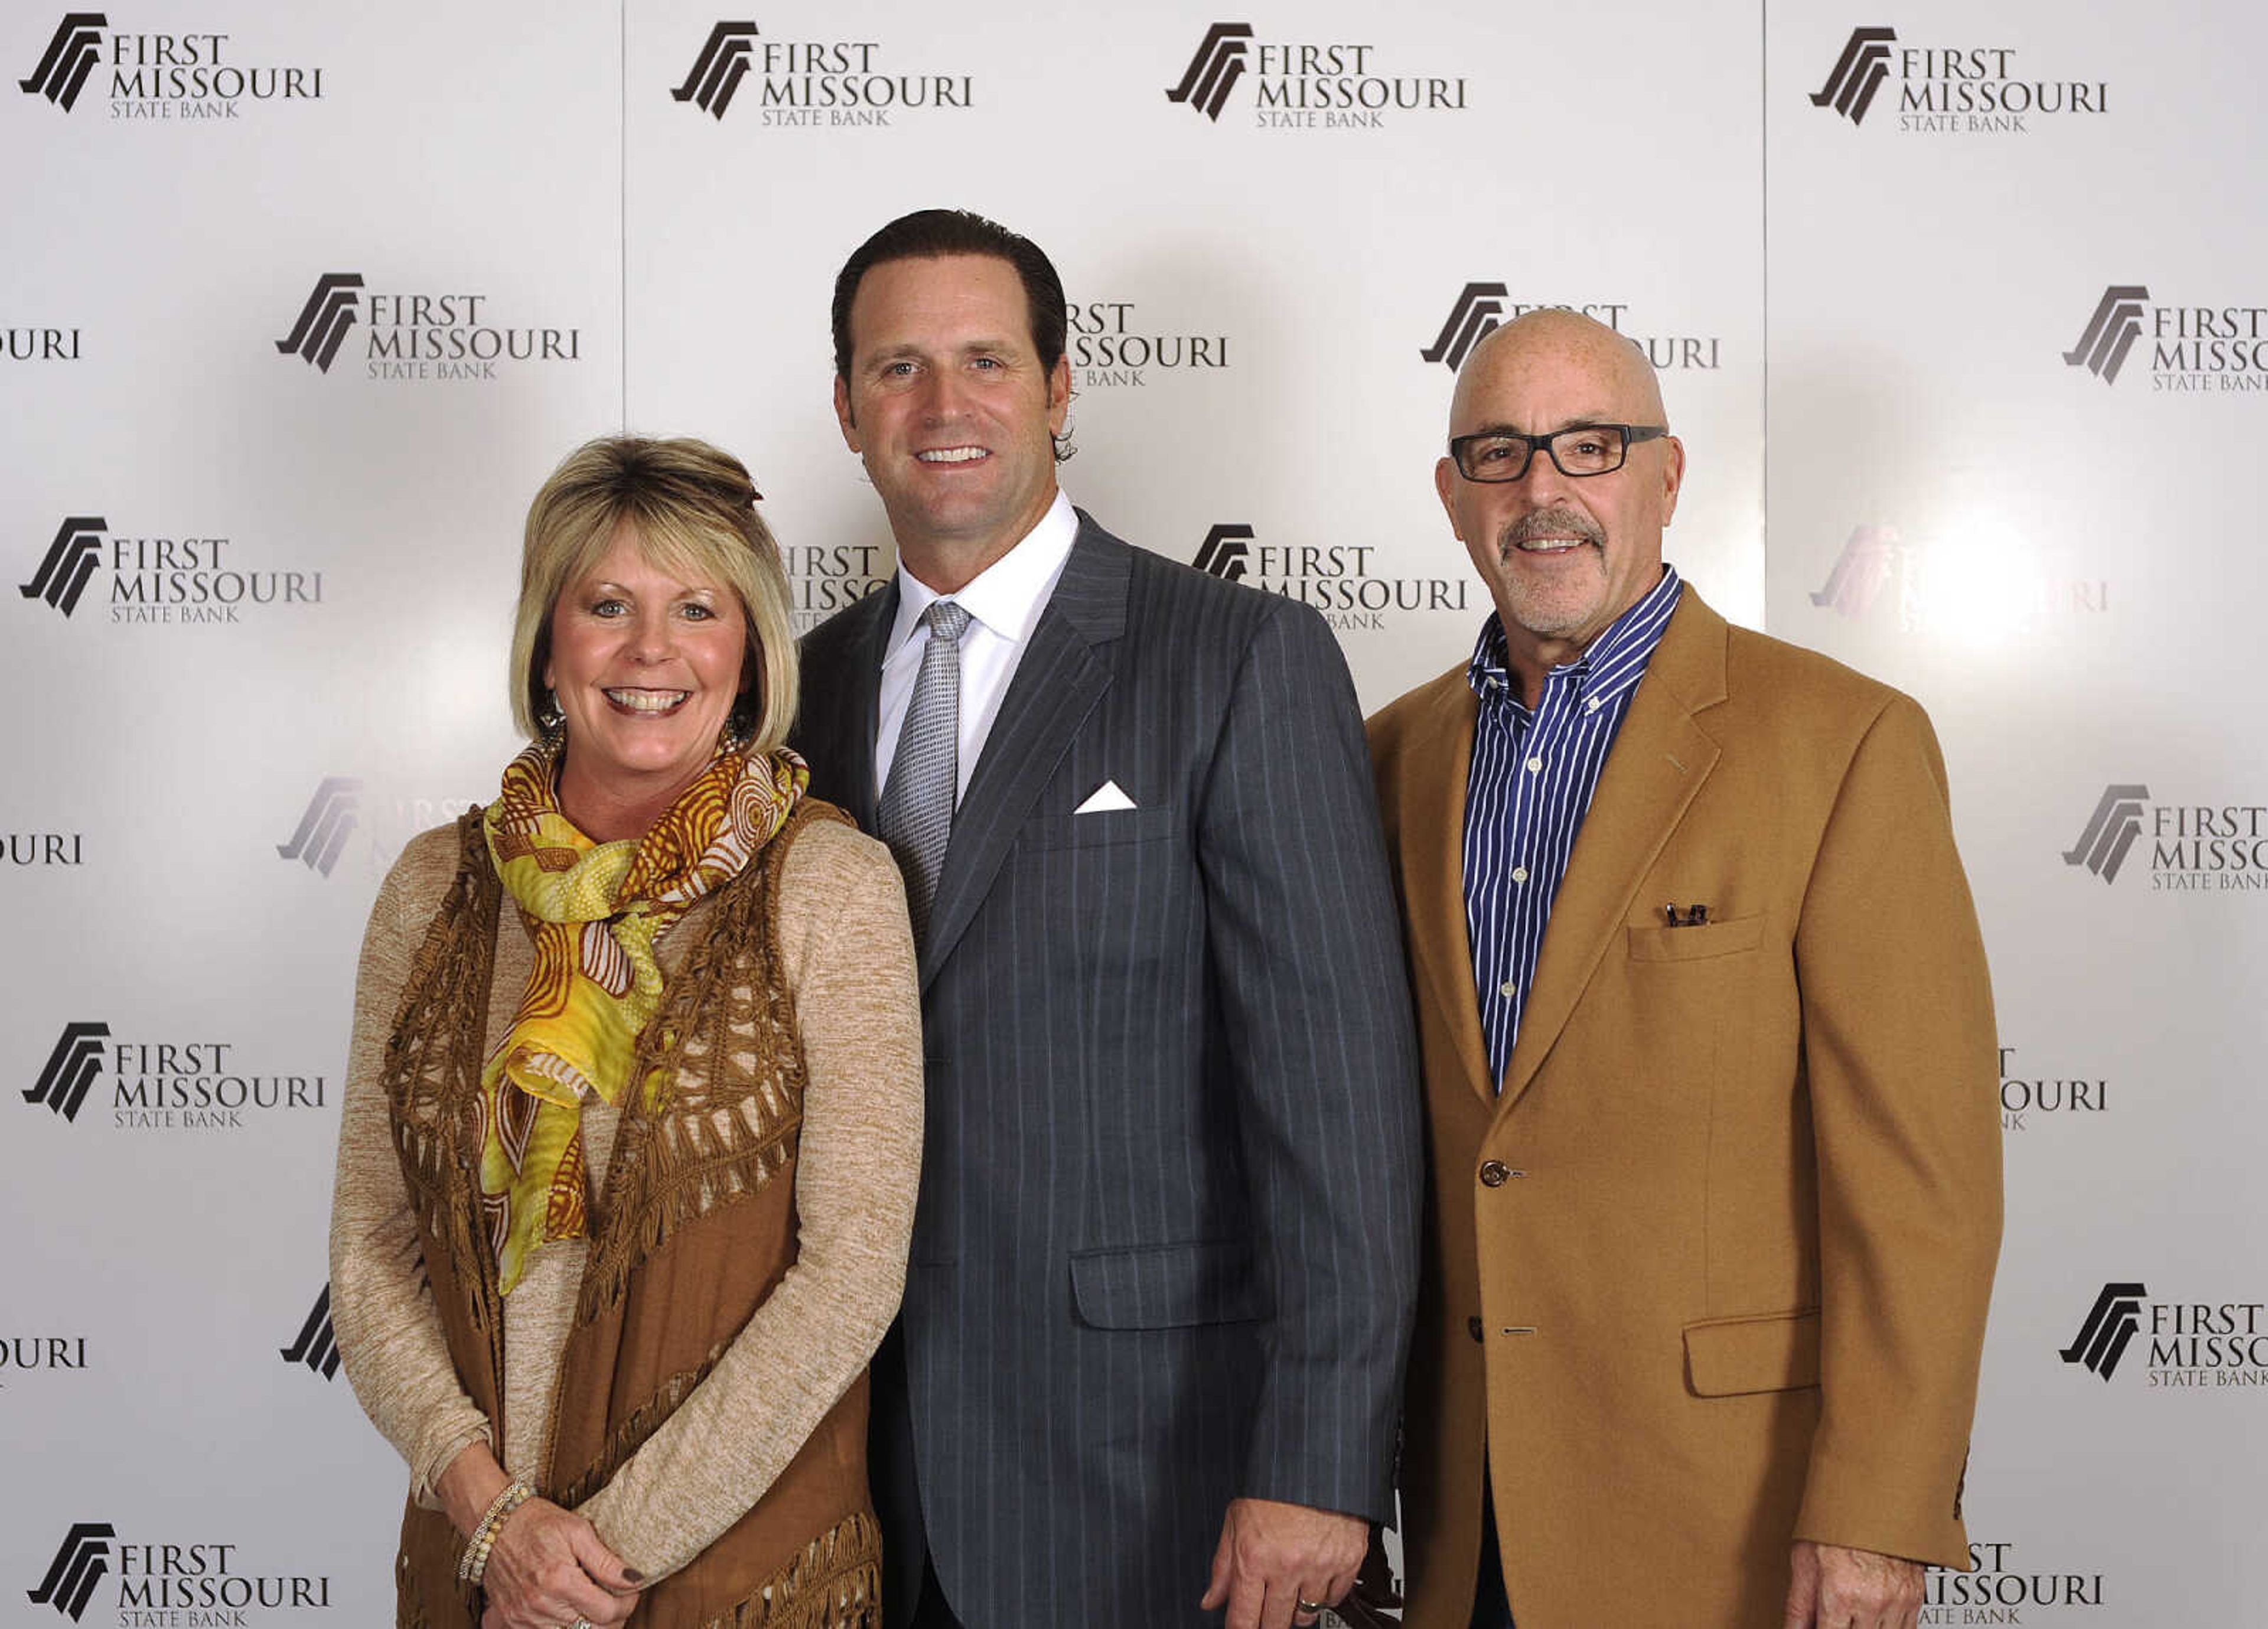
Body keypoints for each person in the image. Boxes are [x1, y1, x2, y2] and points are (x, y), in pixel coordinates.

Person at [791, 208, 1423, 1629]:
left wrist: (1323, 1463)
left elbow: (1340, 1104)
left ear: (1061, 388)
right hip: (849, 1495)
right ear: (845, 407)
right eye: (897, 368)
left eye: (986, 360)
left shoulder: (1236, 658)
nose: (943, 407)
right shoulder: (793, 694)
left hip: (1154, 1482)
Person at [1364, 310, 2002, 1629]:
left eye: (1589, 447)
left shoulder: (1842, 745)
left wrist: (1879, 1508)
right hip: (1460, 1514)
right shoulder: (1380, 760)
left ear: (1667, 474)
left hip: (1733, 1522)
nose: (1543, 491)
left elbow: (1920, 1181)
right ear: (1450, 494)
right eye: (1499, 452)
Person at [329, 436, 923, 1629]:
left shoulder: (830, 886)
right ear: (549, 644)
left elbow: (852, 1270)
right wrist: (492, 1516)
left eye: (697, 607)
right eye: (608, 604)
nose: (652, 649)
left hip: (735, 1576)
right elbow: (370, 1248)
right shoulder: (433, 886)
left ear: (746, 651)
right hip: (473, 1572)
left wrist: (586, 1561)